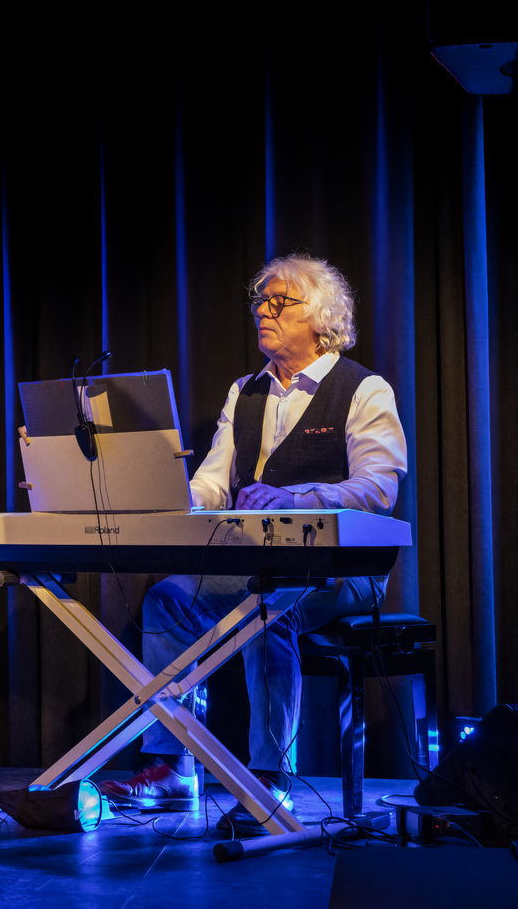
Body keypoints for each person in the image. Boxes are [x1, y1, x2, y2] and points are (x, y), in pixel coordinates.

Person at [99, 253, 407, 828]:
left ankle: (268, 781)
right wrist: (159, 495)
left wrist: (295, 498)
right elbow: (212, 484)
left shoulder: (365, 390)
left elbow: (377, 490)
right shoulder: (244, 392)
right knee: (167, 598)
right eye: (260, 302)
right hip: (258, 565)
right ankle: (173, 768)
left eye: (279, 302)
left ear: (319, 316)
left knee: (268, 604)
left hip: (348, 573)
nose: (263, 311)